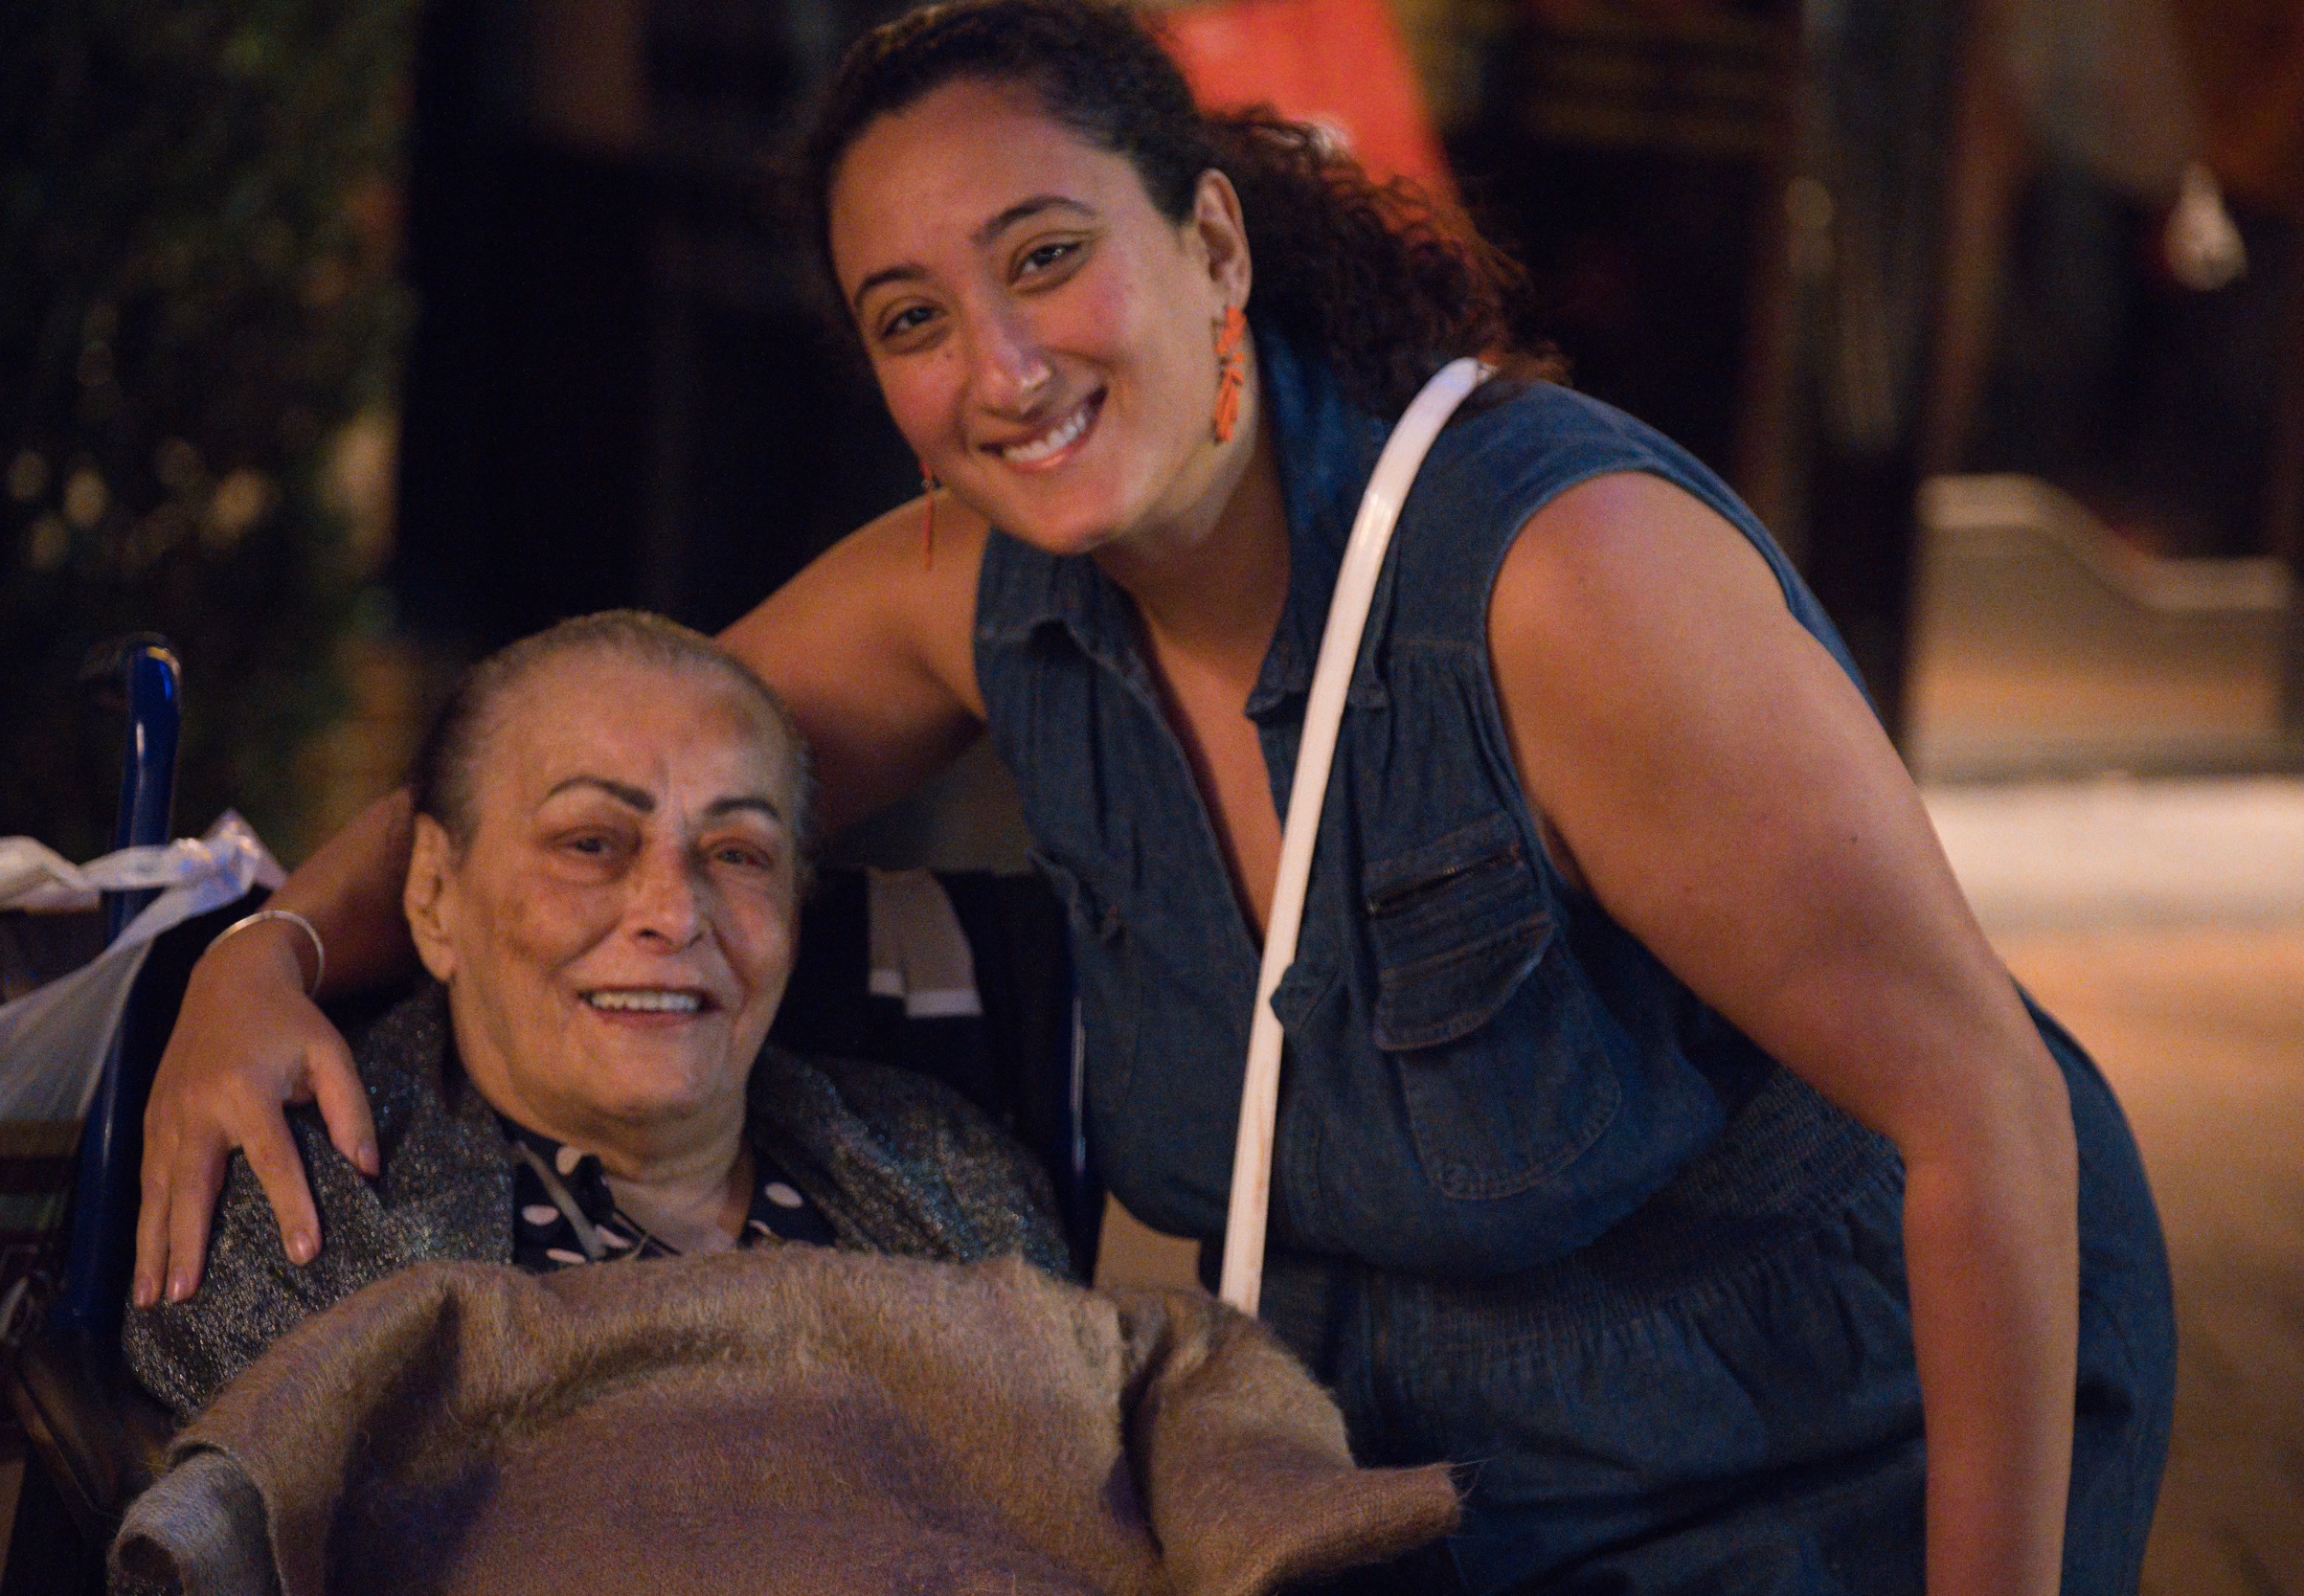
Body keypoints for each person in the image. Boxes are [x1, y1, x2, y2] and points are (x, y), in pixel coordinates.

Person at [130, 3, 2175, 1590]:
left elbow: (1980, 1110)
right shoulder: (974, 587)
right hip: (1397, 1473)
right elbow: (567, 762)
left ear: (1208, 241)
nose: (1000, 367)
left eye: (1045, 256)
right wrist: (266, 951)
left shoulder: (1565, 585)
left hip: (1823, 1447)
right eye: (913, 320)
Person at [125, 610, 1067, 1415]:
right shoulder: (306, 1210)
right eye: (590, 842)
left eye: (738, 852)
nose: (675, 910)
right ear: (434, 894)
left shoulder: (955, 1176)